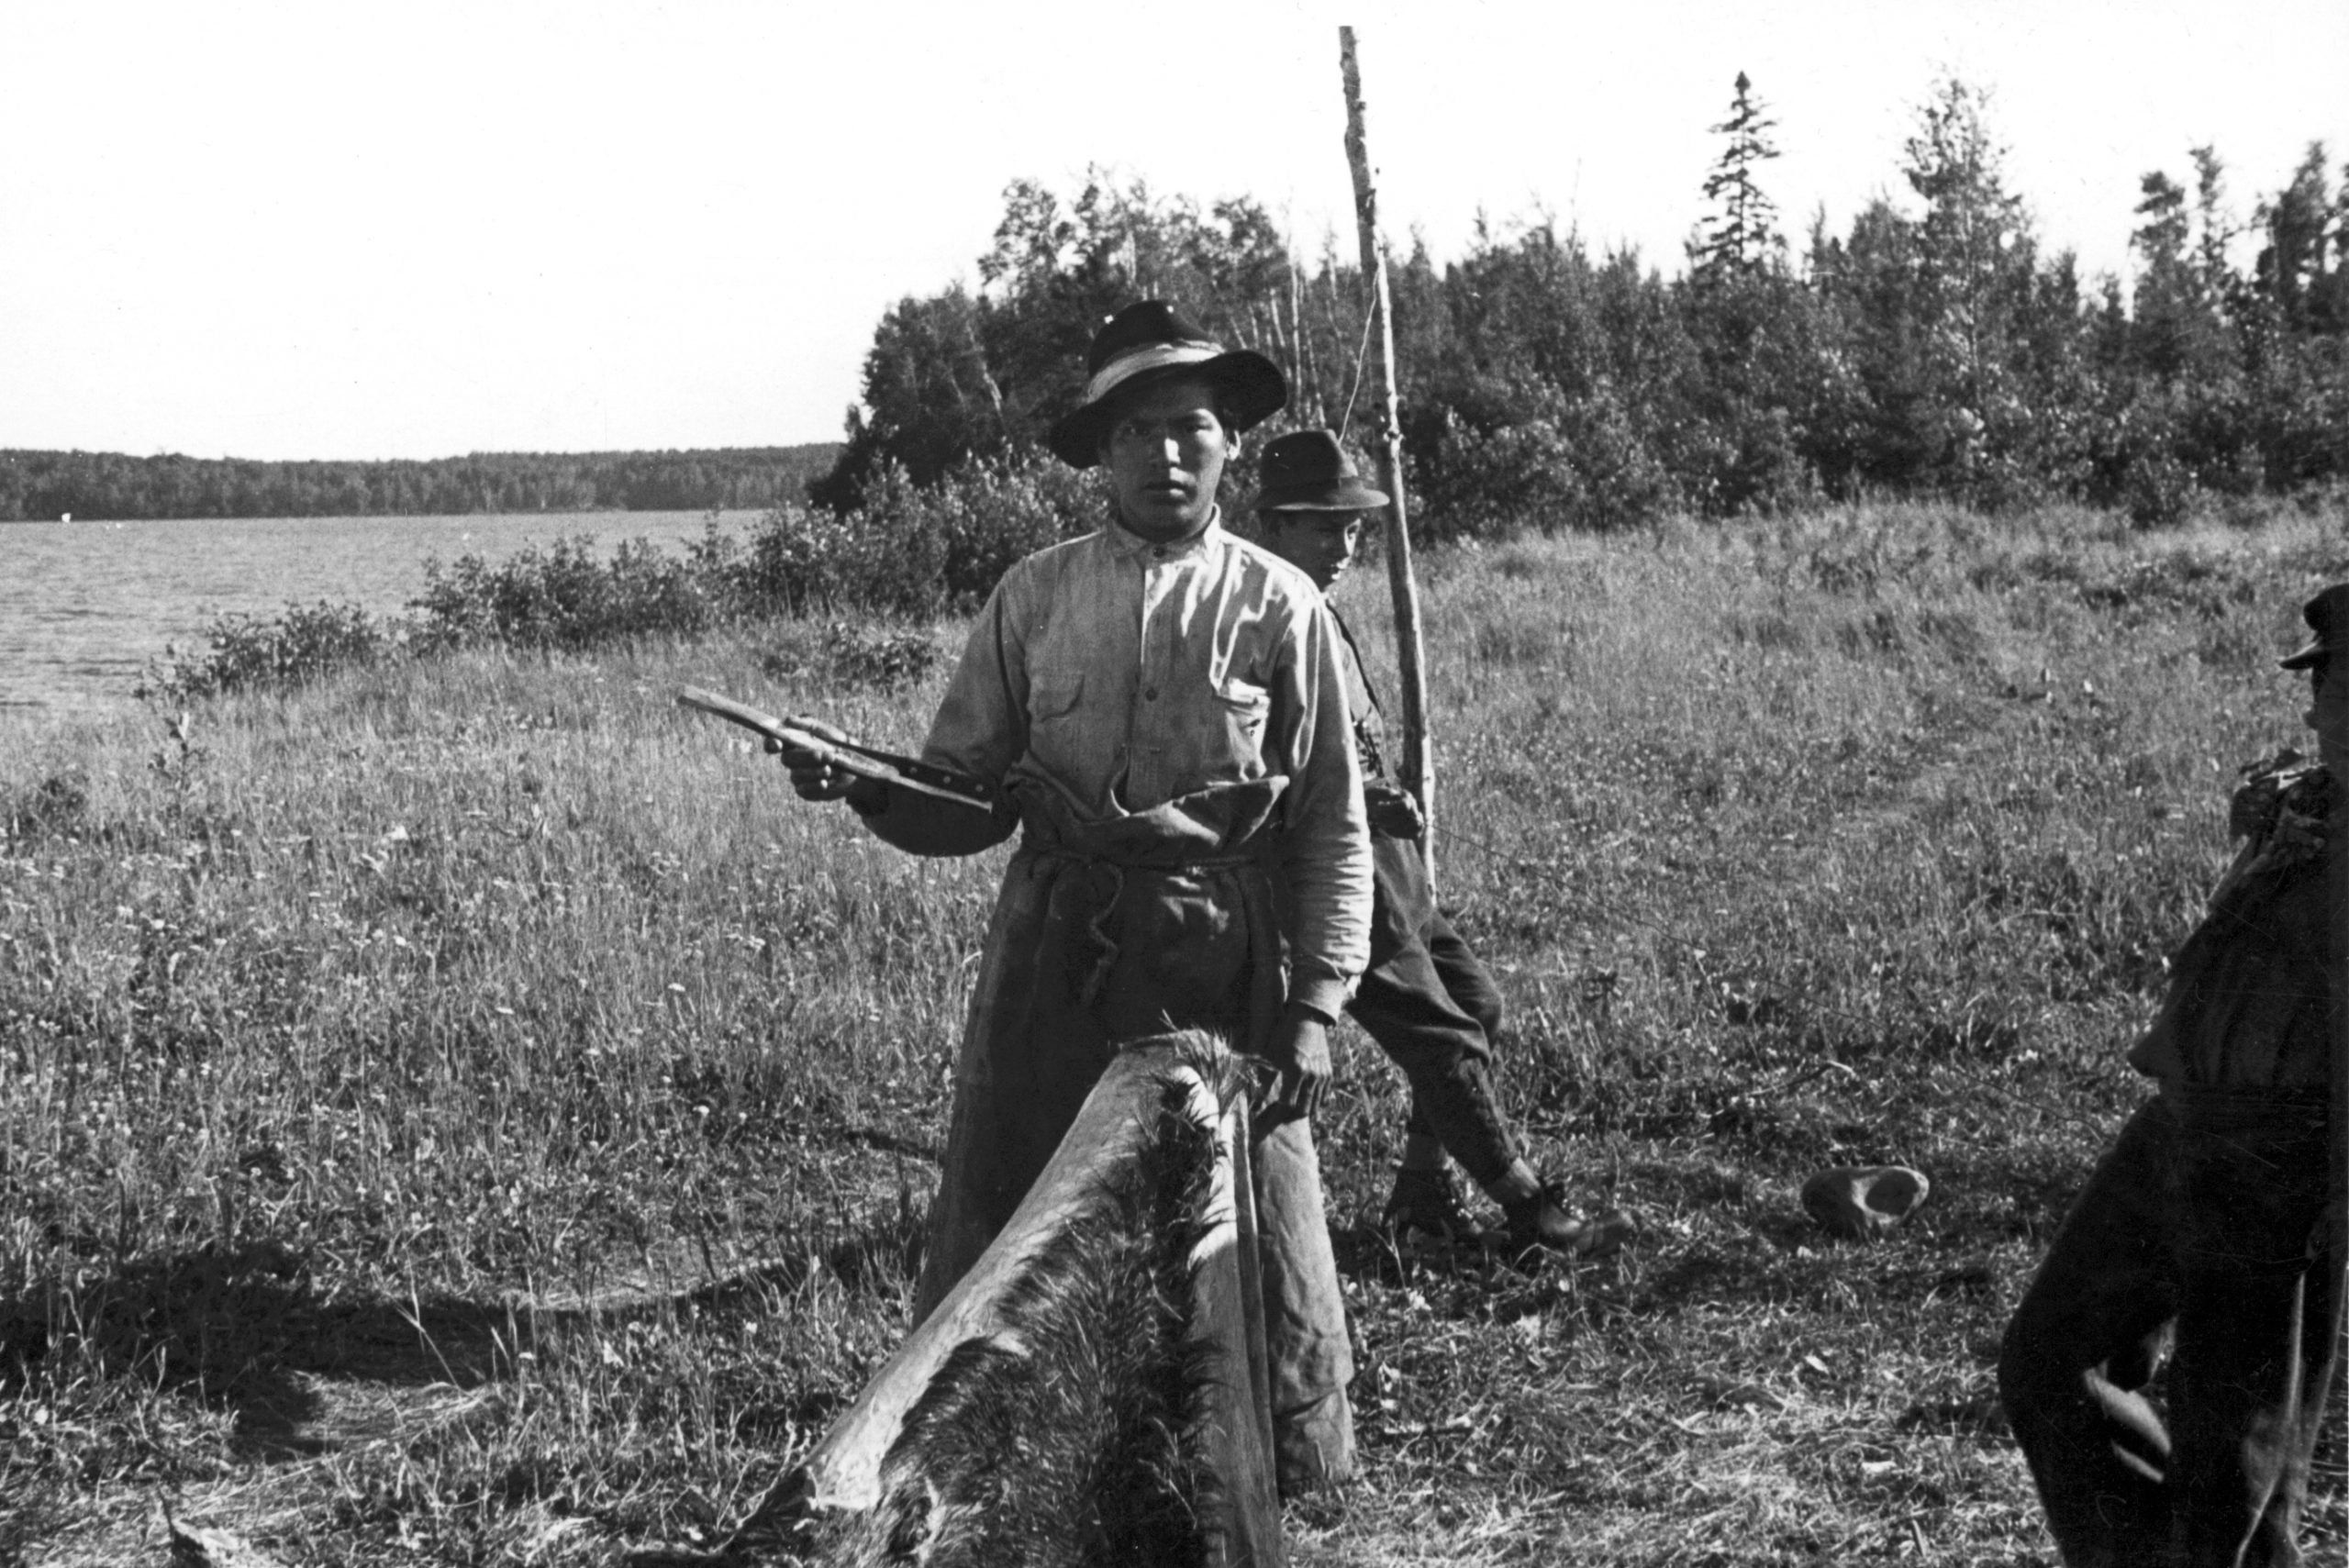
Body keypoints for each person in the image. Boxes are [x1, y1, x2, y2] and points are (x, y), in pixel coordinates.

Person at [776, 303, 1373, 1495]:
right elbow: (967, 799)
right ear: (1100, 453)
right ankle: (1009, 1462)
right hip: (1061, 955)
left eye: (1193, 429)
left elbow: (1331, 830)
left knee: (1252, 1217)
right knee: (1023, 1214)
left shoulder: (1281, 608)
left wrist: (1312, 1010)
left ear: (1231, 450)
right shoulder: (1032, 599)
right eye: (1140, 430)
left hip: (1222, 959)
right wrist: (864, 788)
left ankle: (1257, 1471)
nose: (1167, 454)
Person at [1998, 584, 2345, 1568]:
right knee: (2042, 1364)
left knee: (2235, 1470)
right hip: (2181, 1129)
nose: (2331, 712)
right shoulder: (2304, 812)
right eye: (2328, 688)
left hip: (2286, 1163)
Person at [1250, 429, 1642, 1262]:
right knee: (1443, 1038)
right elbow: (1270, 772)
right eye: (1323, 528)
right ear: (1272, 528)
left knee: (1480, 1003)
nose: (1344, 546)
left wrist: (1381, 797)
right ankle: (1532, 1210)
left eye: (1354, 529)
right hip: (1330, 869)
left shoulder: (1317, 609)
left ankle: (1419, 1194)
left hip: (1391, 866)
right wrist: (1363, 801)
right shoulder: (1259, 622)